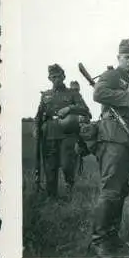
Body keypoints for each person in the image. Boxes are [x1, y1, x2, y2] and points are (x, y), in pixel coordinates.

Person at [89, 38, 129, 258]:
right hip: (113, 140)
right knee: (111, 190)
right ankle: (99, 241)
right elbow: (98, 93)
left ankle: (113, 235)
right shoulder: (112, 75)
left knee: (121, 190)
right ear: (119, 57)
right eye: (127, 57)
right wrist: (128, 98)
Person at [33, 64, 91, 198]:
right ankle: (51, 197)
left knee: (67, 164)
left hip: (67, 134)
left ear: (63, 76)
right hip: (49, 134)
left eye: (58, 76)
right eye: (53, 77)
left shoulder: (73, 93)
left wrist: (70, 108)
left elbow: (85, 110)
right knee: (50, 167)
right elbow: (38, 115)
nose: (56, 79)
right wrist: (36, 127)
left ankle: (69, 186)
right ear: (49, 78)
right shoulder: (45, 96)